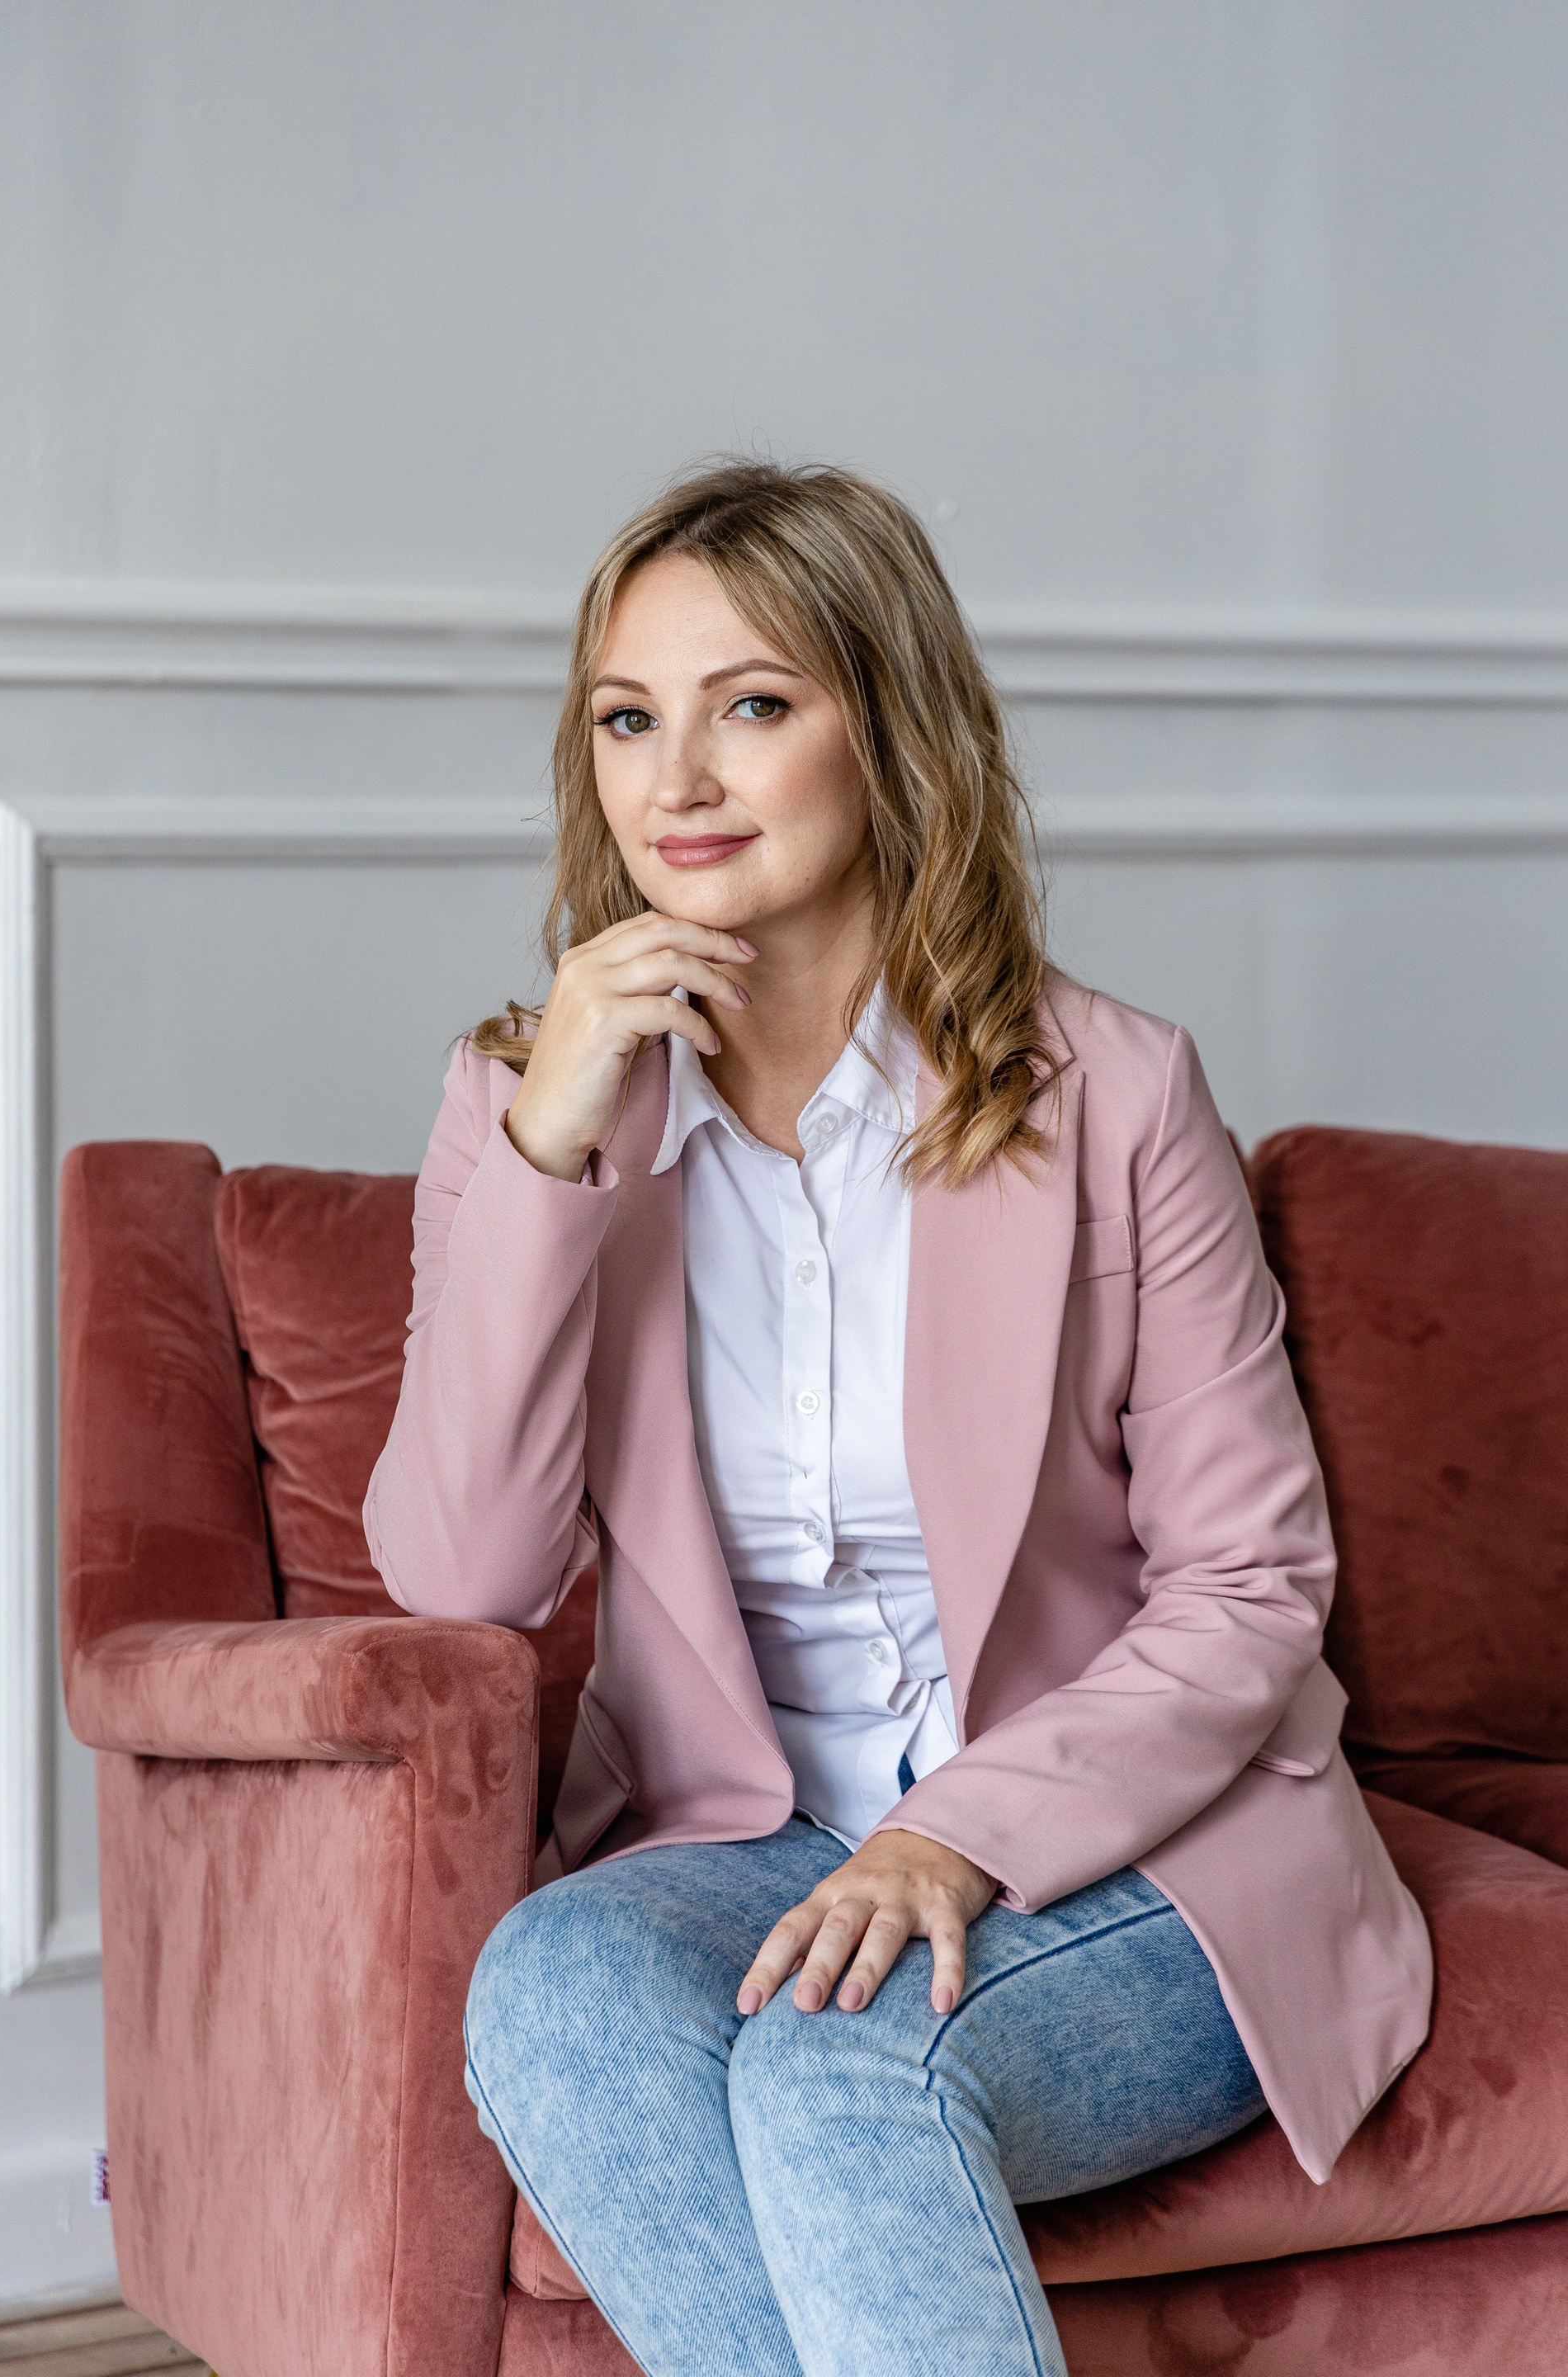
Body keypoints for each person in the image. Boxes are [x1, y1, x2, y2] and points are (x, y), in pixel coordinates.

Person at [364, 459, 1432, 2377]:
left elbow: (1249, 1589)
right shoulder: (523, 1108)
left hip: (1132, 1852)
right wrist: (548, 1152)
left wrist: (957, 1841)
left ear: (891, 730)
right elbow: (468, 1573)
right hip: (753, 1835)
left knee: (843, 2067)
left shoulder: (1111, 1093)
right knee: (553, 1990)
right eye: (629, 719)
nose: (678, 778)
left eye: (752, 704)